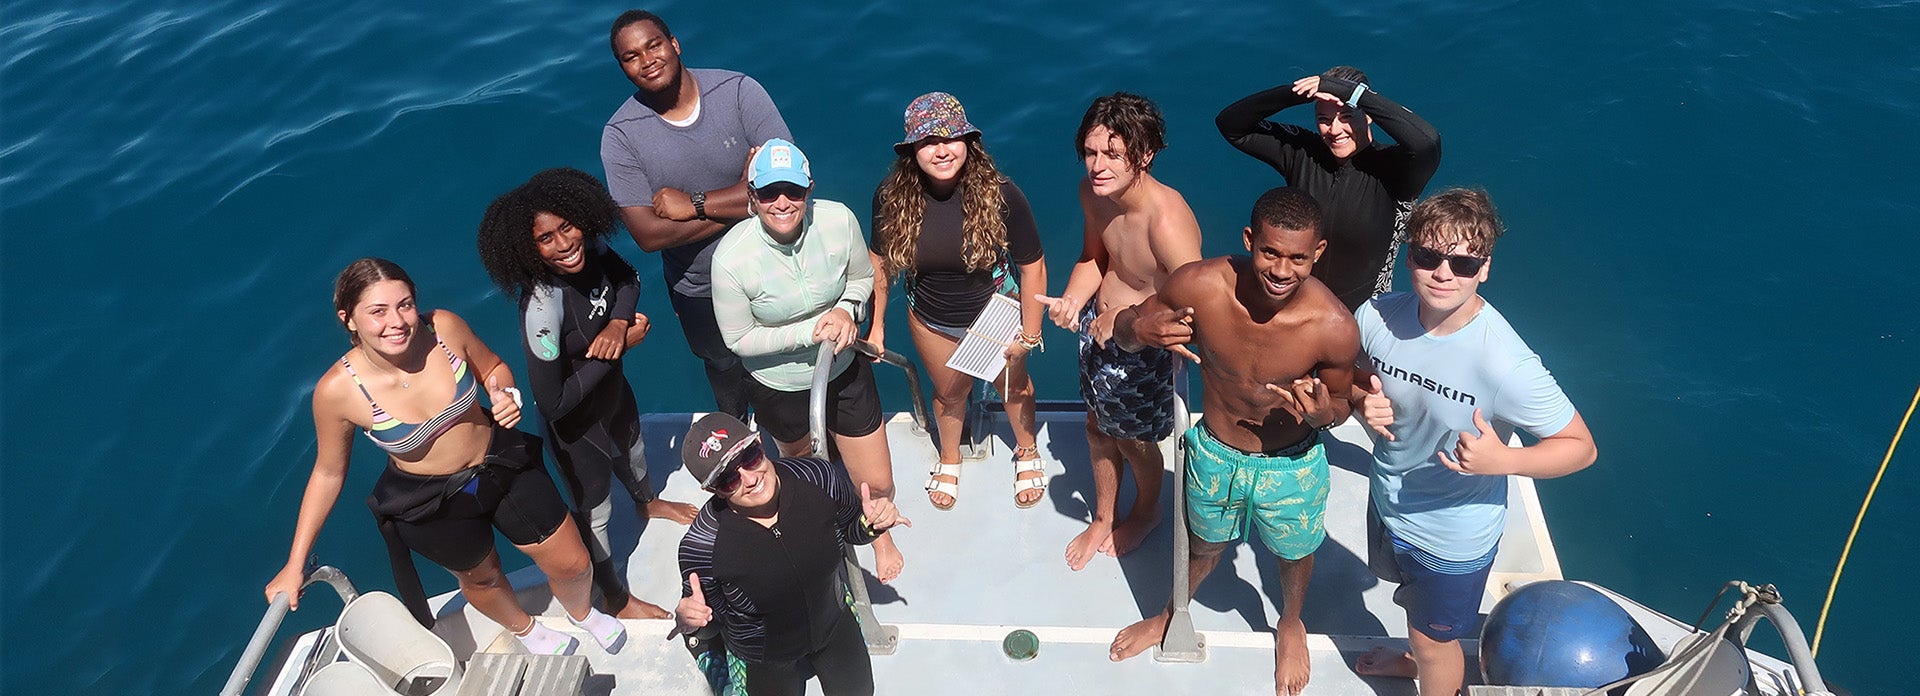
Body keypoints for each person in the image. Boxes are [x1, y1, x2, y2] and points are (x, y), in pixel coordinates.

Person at [265, 259, 624, 656]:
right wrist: (295, 563)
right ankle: (526, 631)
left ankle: (582, 613)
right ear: (348, 319)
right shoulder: (337, 391)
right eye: (377, 312)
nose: (397, 322)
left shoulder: (444, 328)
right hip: (431, 500)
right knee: (483, 579)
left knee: (572, 563)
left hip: (501, 464)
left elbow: (494, 369)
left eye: (405, 305)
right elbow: (329, 472)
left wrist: (505, 394)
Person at [1106, 188, 1360, 696]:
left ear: (1318, 254)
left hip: (1291, 462)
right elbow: (1125, 330)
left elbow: (1340, 405)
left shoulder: (1333, 326)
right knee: (1205, 544)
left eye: (1298, 258)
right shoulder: (1199, 285)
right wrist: (1140, 326)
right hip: (1216, 452)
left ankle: (1290, 622)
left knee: (1293, 552)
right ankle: (1172, 612)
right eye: (1270, 252)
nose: (1282, 270)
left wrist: (1323, 414)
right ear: (1250, 240)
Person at [1347, 188, 1597, 696]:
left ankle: (1428, 663)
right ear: (1408, 254)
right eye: (1428, 256)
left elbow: (1581, 446)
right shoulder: (1374, 316)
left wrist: (1505, 459)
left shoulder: (1507, 365)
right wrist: (1357, 401)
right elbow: (1352, 375)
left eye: (1463, 262)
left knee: (1435, 639)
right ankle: (1415, 657)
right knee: (1413, 611)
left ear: (1484, 268)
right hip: (1387, 501)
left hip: (1453, 538)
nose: (1443, 273)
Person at [474, 168, 701, 621]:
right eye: (546, 239)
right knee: (595, 511)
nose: (563, 244)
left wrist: (618, 324)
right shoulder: (542, 307)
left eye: (567, 227)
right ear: (527, 250)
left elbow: (630, 279)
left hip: (615, 397)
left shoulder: (591, 248)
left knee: (634, 451)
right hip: (575, 430)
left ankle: (648, 503)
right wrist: (618, 352)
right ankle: (615, 598)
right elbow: (553, 400)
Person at [709, 139, 905, 583]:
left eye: (794, 191)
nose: (782, 203)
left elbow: (860, 278)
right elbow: (738, 338)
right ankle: (827, 530)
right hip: (778, 387)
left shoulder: (838, 220)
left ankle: (879, 533)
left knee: (878, 478)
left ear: (810, 189)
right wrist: (809, 332)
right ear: (752, 198)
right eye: (769, 193)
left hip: (843, 368)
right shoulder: (730, 260)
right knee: (803, 473)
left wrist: (847, 309)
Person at [1036, 92, 1202, 570]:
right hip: (1098, 334)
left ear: (1144, 155)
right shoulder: (1094, 193)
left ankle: (1146, 512)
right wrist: (1073, 298)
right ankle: (1104, 516)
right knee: (1095, 428)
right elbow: (1096, 257)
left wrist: (1124, 318)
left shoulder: (1166, 220)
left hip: (1143, 350)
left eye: (1113, 154)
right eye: (1091, 153)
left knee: (1134, 442)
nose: (1097, 166)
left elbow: (1190, 306)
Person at [600, 10, 792, 420]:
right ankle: (739, 431)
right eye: (631, 56)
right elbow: (649, 236)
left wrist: (695, 204)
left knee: (788, 356)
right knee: (722, 365)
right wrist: (745, 199)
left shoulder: (738, 91)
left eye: (654, 45)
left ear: (675, 44)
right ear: (623, 68)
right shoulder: (620, 135)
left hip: (775, 261)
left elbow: (785, 184)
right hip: (698, 285)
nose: (647, 59)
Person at [867, 92, 1049, 510]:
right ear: (912, 150)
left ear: (969, 142)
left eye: (951, 138)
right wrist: (876, 326)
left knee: (1013, 385)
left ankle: (1026, 449)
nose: (942, 149)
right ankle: (950, 456)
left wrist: (1030, 333)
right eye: (929, 141)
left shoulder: (1003, 194)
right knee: (949, 395)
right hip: (931, 317)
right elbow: (879, 263)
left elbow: (1033, 267)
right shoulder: (890, 196)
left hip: (995, 313)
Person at [673, 413, 909, 696]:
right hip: (763, 654)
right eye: (728, 479)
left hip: (833, 622)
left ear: (759, 442)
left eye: (749, 457)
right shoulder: (702, 546)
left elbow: (850, 530)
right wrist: (691, 624)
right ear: (712, 490)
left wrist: (870, 526)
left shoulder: (818, 477)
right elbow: (711, 620)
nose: (750, 479)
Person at [1216, 66, 1441, 311]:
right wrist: (1301, 92)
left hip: (1364, 317)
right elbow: (1231, 125)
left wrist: (1350, 94)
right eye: (1323, 119)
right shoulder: (1302, 152)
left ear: (1368, 116)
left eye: (1347, 116)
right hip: (1292, 307)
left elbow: (1427, 142)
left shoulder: (1396, 168)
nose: (1334, 130)